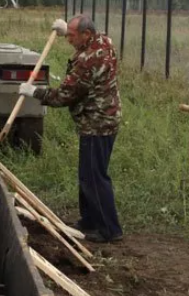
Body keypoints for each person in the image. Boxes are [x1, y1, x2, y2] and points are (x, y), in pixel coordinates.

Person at [18, 15, 123, 243]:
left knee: (94, 177)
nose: (69, 40)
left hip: (98, 122)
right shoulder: (103, 42)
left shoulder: (87, 61)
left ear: (86, 34)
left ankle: (108, 229)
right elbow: (97, 40)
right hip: (103, 118)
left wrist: (34, 92)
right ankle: (89, 221)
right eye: (69, 35)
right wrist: (67, 29)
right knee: (87, 174)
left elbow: (64, 96)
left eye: (72, 36)